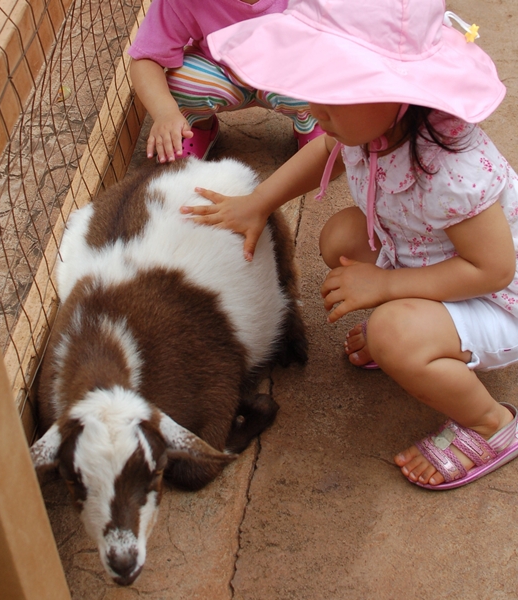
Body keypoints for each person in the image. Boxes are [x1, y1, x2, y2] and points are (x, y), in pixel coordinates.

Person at [180, 0, 518, 490]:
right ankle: (421, 332)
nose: (316, 109)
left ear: (398, 90)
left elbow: (494, 271)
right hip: (432, 257)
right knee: (339, 236)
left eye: (335, 93)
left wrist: (385, 285)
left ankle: (493, 426)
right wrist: (256, 203)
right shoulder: (376, 126)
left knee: (393, 332)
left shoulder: (452, 170)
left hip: (497, 300)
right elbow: (325, 151)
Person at [128, 0, 322, 164]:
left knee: (322, 73)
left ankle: (313, 122)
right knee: (182, 81)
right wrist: (165, 112)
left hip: (284, 70)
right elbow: (146, 58)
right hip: (219, 68)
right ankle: (197, 126)